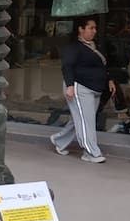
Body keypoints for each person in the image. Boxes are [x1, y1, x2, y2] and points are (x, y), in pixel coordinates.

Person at [50, 17, 116, 163]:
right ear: (81, 29)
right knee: (87, 121)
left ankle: (59, 141)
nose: (94, 31)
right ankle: (91, 152)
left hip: (95, 88)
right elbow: (67, 66)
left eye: (95, 28)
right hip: (79, 87)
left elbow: (103, 65)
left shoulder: (95, 46)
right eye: (91, 28)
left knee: (80, 119)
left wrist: (109, 80)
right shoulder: (73, 47)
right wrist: (70, 86)